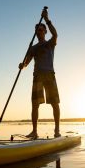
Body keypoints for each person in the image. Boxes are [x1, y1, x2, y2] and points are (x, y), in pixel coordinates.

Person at [19, 8, 60, 139]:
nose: (39, 32)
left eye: (41, 30)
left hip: (49, 75)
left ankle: (57, 130)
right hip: (37, 76)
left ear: (45, 32)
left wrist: (47, 19)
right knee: (35, 104)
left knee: (54, 103)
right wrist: (23, 65)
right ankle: (34, 131)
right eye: (37, 31)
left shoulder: (50, 43)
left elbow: (55, 34)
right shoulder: (33, 47)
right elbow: (27, 62)